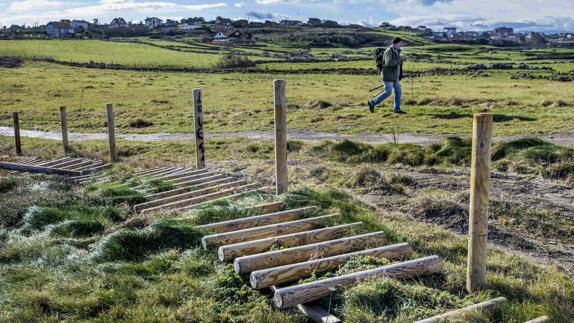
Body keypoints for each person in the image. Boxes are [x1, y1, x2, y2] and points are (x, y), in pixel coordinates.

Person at [368, 37, 406, 114]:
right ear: (396, 43)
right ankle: (372, 103)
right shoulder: (389, 51)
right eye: (400, 43)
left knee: (398, 91)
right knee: (388, 92)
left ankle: (397, 109)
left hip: (395, 76)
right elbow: (389, 63)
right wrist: (401, 59)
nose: (401, 45)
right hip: (388, 76)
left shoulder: (397, 51)